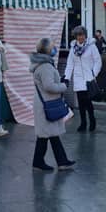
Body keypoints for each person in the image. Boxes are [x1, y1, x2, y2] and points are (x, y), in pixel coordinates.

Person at [30, 38, 76, 171]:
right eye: (52, 47)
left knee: (49, 134)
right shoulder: (45, 66)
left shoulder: (43, 64)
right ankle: (42, 162)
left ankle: (60, 161)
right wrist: (63, 85)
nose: (54, 48)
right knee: (46, 135)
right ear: (47, 50)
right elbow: (49, 86)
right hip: (47, 104)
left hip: (45, 103)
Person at [64, 26, 102, 132]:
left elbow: (98, 61)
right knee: (81, 102)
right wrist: (66, 77)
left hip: (88, 78)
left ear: (85, 35)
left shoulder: (91, 46)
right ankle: (83, 123)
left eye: (82, 35)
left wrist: (94, 73)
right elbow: (70, 64)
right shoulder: (73, 49)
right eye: (78, 35)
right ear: (75, 36)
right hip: (78, 78)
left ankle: (92, 119)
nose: (81, 37)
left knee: (88, 101)